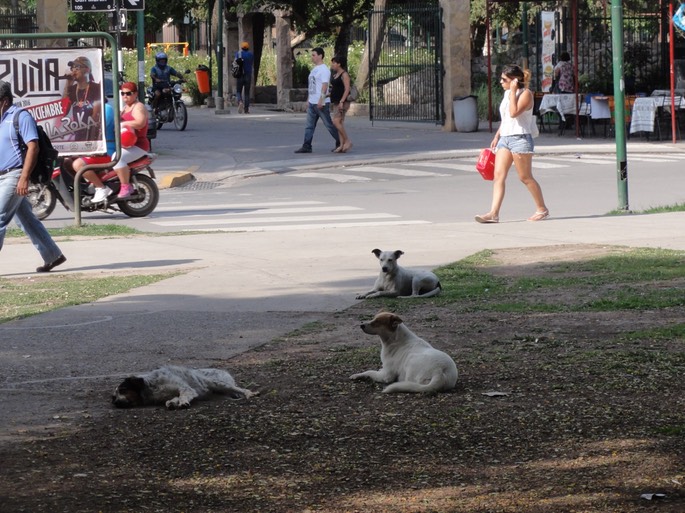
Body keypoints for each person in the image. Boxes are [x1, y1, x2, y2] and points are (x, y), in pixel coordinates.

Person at [0, 81, 66, 272]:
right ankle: (53, 255)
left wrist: (24, 177)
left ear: (4, 101)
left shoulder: (20, 117)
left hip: (15, 175)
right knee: (25, 219)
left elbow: (33, 147)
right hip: (2, 175)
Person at [475, 65, 549, 224]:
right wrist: (497, 134)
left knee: (525, 177)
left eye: (504, 79)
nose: (501, 82)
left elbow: (514, 112)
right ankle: (493, 213)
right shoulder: (507, 93)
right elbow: (506, 118)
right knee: (498, 176)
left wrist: (514, 92)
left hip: (520, 139)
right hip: (506, 138)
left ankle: (542, 208)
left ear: (515, 80)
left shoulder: (526, 94)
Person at [294, 47, 340, 154]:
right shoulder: (314, 69)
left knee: (328, 124)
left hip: (321, 103)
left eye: (314, 55)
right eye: (312, 55)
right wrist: (308, 99)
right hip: (312, 102)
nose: (312, 57)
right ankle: (306, 145)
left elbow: (324, 86)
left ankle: (341, 141)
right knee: (309, 126)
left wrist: (321, 99)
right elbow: (312, 86)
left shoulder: (324, 70)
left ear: (320, 56)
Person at [71, 98, 116, 203]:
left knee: (78, 165)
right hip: (93, 149)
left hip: (106, 151)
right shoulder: (91, 110)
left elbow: (97, 128)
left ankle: (101, 188)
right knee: (68, 160)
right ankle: (84, 187)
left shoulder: (107, 109)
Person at [114, 82, 150, 199]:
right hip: (126, 144)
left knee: (117, 158)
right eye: (123, 93)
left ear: (135, 94)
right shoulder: (125, 108)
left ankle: (126, 186)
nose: (125, 96)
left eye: (128, 93)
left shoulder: (138, 107)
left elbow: (140, 123)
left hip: (139, 146)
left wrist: (123, 124)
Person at [61, 56, 102, 141]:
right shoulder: (72, 90)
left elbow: (96, 116)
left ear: (87, 70)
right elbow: (63, 111)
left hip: (92, 136)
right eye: (72, 68)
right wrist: (68, 84)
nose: (74, 70)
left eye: (77, 67)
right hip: (78, 136)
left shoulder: (96, 88)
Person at [329, 55, 353, 153]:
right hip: (336, 101)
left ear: (339, 64)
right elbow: (336, 88)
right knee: (339, 123)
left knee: (336, 122)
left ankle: (347, 141)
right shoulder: (335, 74)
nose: (332, 64)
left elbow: (347, 89)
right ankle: (341, 145)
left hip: (342, 102)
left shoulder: (344, 75)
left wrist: (342, 101)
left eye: (334, 63)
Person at [235, 41, 254, 114]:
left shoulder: (238, 54)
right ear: (248, 48)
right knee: (247, 93)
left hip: (240, 75)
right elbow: (251, 62)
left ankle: (240, 101)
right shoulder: (251, 54)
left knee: (238, 91)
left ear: (242, 47)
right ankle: (246, 109)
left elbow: (235, 63)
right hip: (248, 75)